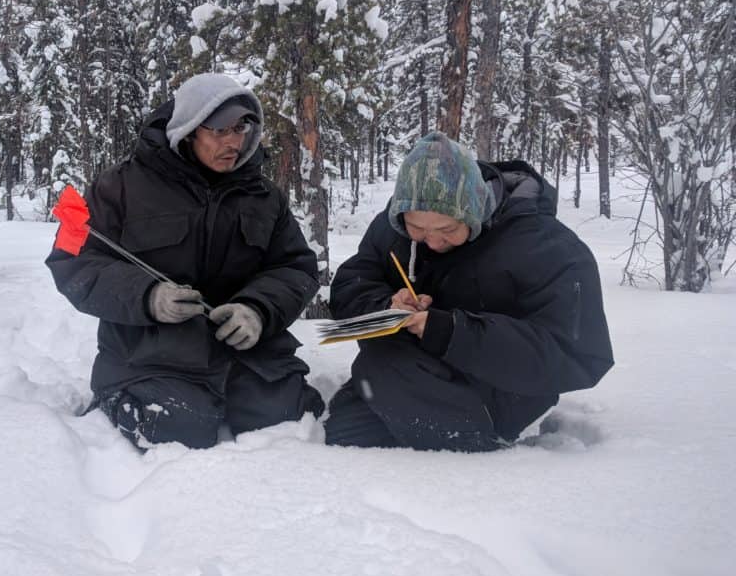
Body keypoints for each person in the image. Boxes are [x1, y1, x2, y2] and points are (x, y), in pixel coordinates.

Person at [46, 73, 324, 449]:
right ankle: (119, 405)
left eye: (242, 129)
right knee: (179, 430)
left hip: (246, 353)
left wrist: (257, 311)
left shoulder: (263, 197)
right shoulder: (122, 187)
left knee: (284, 423)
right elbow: (73, 263)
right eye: (220, 131)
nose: (233, 142)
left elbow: (295, 268)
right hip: (150, 353)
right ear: (190, 130)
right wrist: (148, 297)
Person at [323, 131, 614, 451]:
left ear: (475, 211)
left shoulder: (546, 247)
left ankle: (481, 463)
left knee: (378, 371)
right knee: (344, 433)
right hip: (404, 372)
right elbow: (353, 282)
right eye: (417, 230)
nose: (432, 242)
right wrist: (387, 305)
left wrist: (452, 332)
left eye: (447, 230)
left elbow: (578, 354)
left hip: (496, 390)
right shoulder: (394, 226)